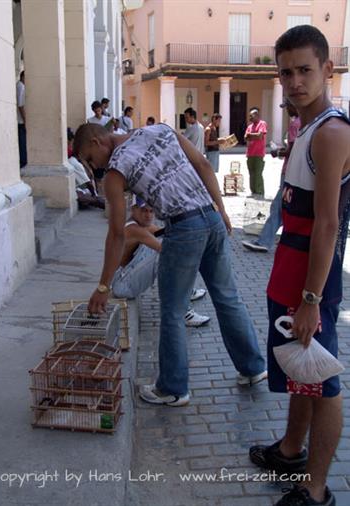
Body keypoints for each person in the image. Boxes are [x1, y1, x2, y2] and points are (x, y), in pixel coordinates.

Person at [73, 121, 267, 407]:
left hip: (184, 227)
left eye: (90, 159)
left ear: (95, 143)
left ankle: (173, 388)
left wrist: (103, 285)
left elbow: (116, 235)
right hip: (210, 219)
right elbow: (202, 163)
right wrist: (221, 210)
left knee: (173, 311)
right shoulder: (161, 130)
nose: (94, 166)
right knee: (228, 298)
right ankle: (252, 368)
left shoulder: (115, 172)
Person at [249, 25, 350, 506]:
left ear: (327, 69)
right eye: (285, 72)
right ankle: (291, 451)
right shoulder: (306, 126)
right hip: (291, 269)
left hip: (312, 280)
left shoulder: (331, 131)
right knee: (302, 372)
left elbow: (328, 224)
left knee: (323, 381)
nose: (294, 81)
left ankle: (315, 489)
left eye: (305, 70)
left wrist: (311, 299)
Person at [112, 196, 210, 327]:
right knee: (165, 257)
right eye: (144, 211)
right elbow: (164, 249)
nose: (148, 215)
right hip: (123, 286)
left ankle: (187, 290)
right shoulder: (134, 230)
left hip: (124, 278)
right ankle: (184, 312)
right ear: (133, 209)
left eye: (151, 211)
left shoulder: (141, 225)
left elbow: (167, 232)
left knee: (168, 243)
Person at [242, 100, 300, 252]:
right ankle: (276, 239)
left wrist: (278, 152)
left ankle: (264, 241)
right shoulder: (307, 123)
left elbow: (292, 150)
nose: (287, 111)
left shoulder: (295, 124)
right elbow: (247, 136)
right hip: (298, 172)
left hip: (290, 172)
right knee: (285, 209)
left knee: (278, 208)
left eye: (288, 107)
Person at [244, 107, 267, 197]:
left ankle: (259, 191)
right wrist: (251, 136)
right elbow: (245, 137)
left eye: (251, 116)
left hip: (258, 153)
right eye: (249, 116)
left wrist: (250, 135)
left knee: (258, 173)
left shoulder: (262, 124)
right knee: (251, 173)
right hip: (250, 153)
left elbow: (260, 136)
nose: (250, 118)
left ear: (257, 115)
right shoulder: (250, 126)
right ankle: (253, 190)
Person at [16, 70, 27, 168]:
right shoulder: (21, 87)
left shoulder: (18, 86)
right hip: (21, 121)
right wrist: (26, 120)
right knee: (23, 144)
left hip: (19, 121)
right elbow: (21, 105)